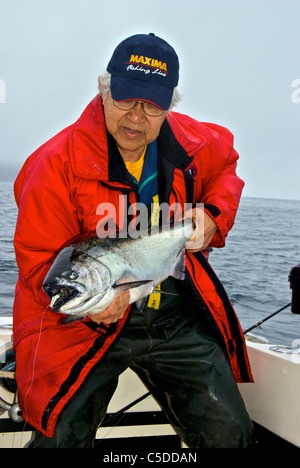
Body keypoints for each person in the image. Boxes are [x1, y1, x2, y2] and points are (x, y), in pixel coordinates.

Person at [13, 33, 254, 448]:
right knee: (59, 439)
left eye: (152, 106)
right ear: (104, 91)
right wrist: (95, 306)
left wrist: (214, 216)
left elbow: (226, 169)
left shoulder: (196, 142)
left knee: (230, 435)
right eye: (125, 100)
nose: (136, 118)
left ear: (169, 107)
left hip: (174, 312)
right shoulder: (53, 164)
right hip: (84, 323)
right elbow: (39, 264)